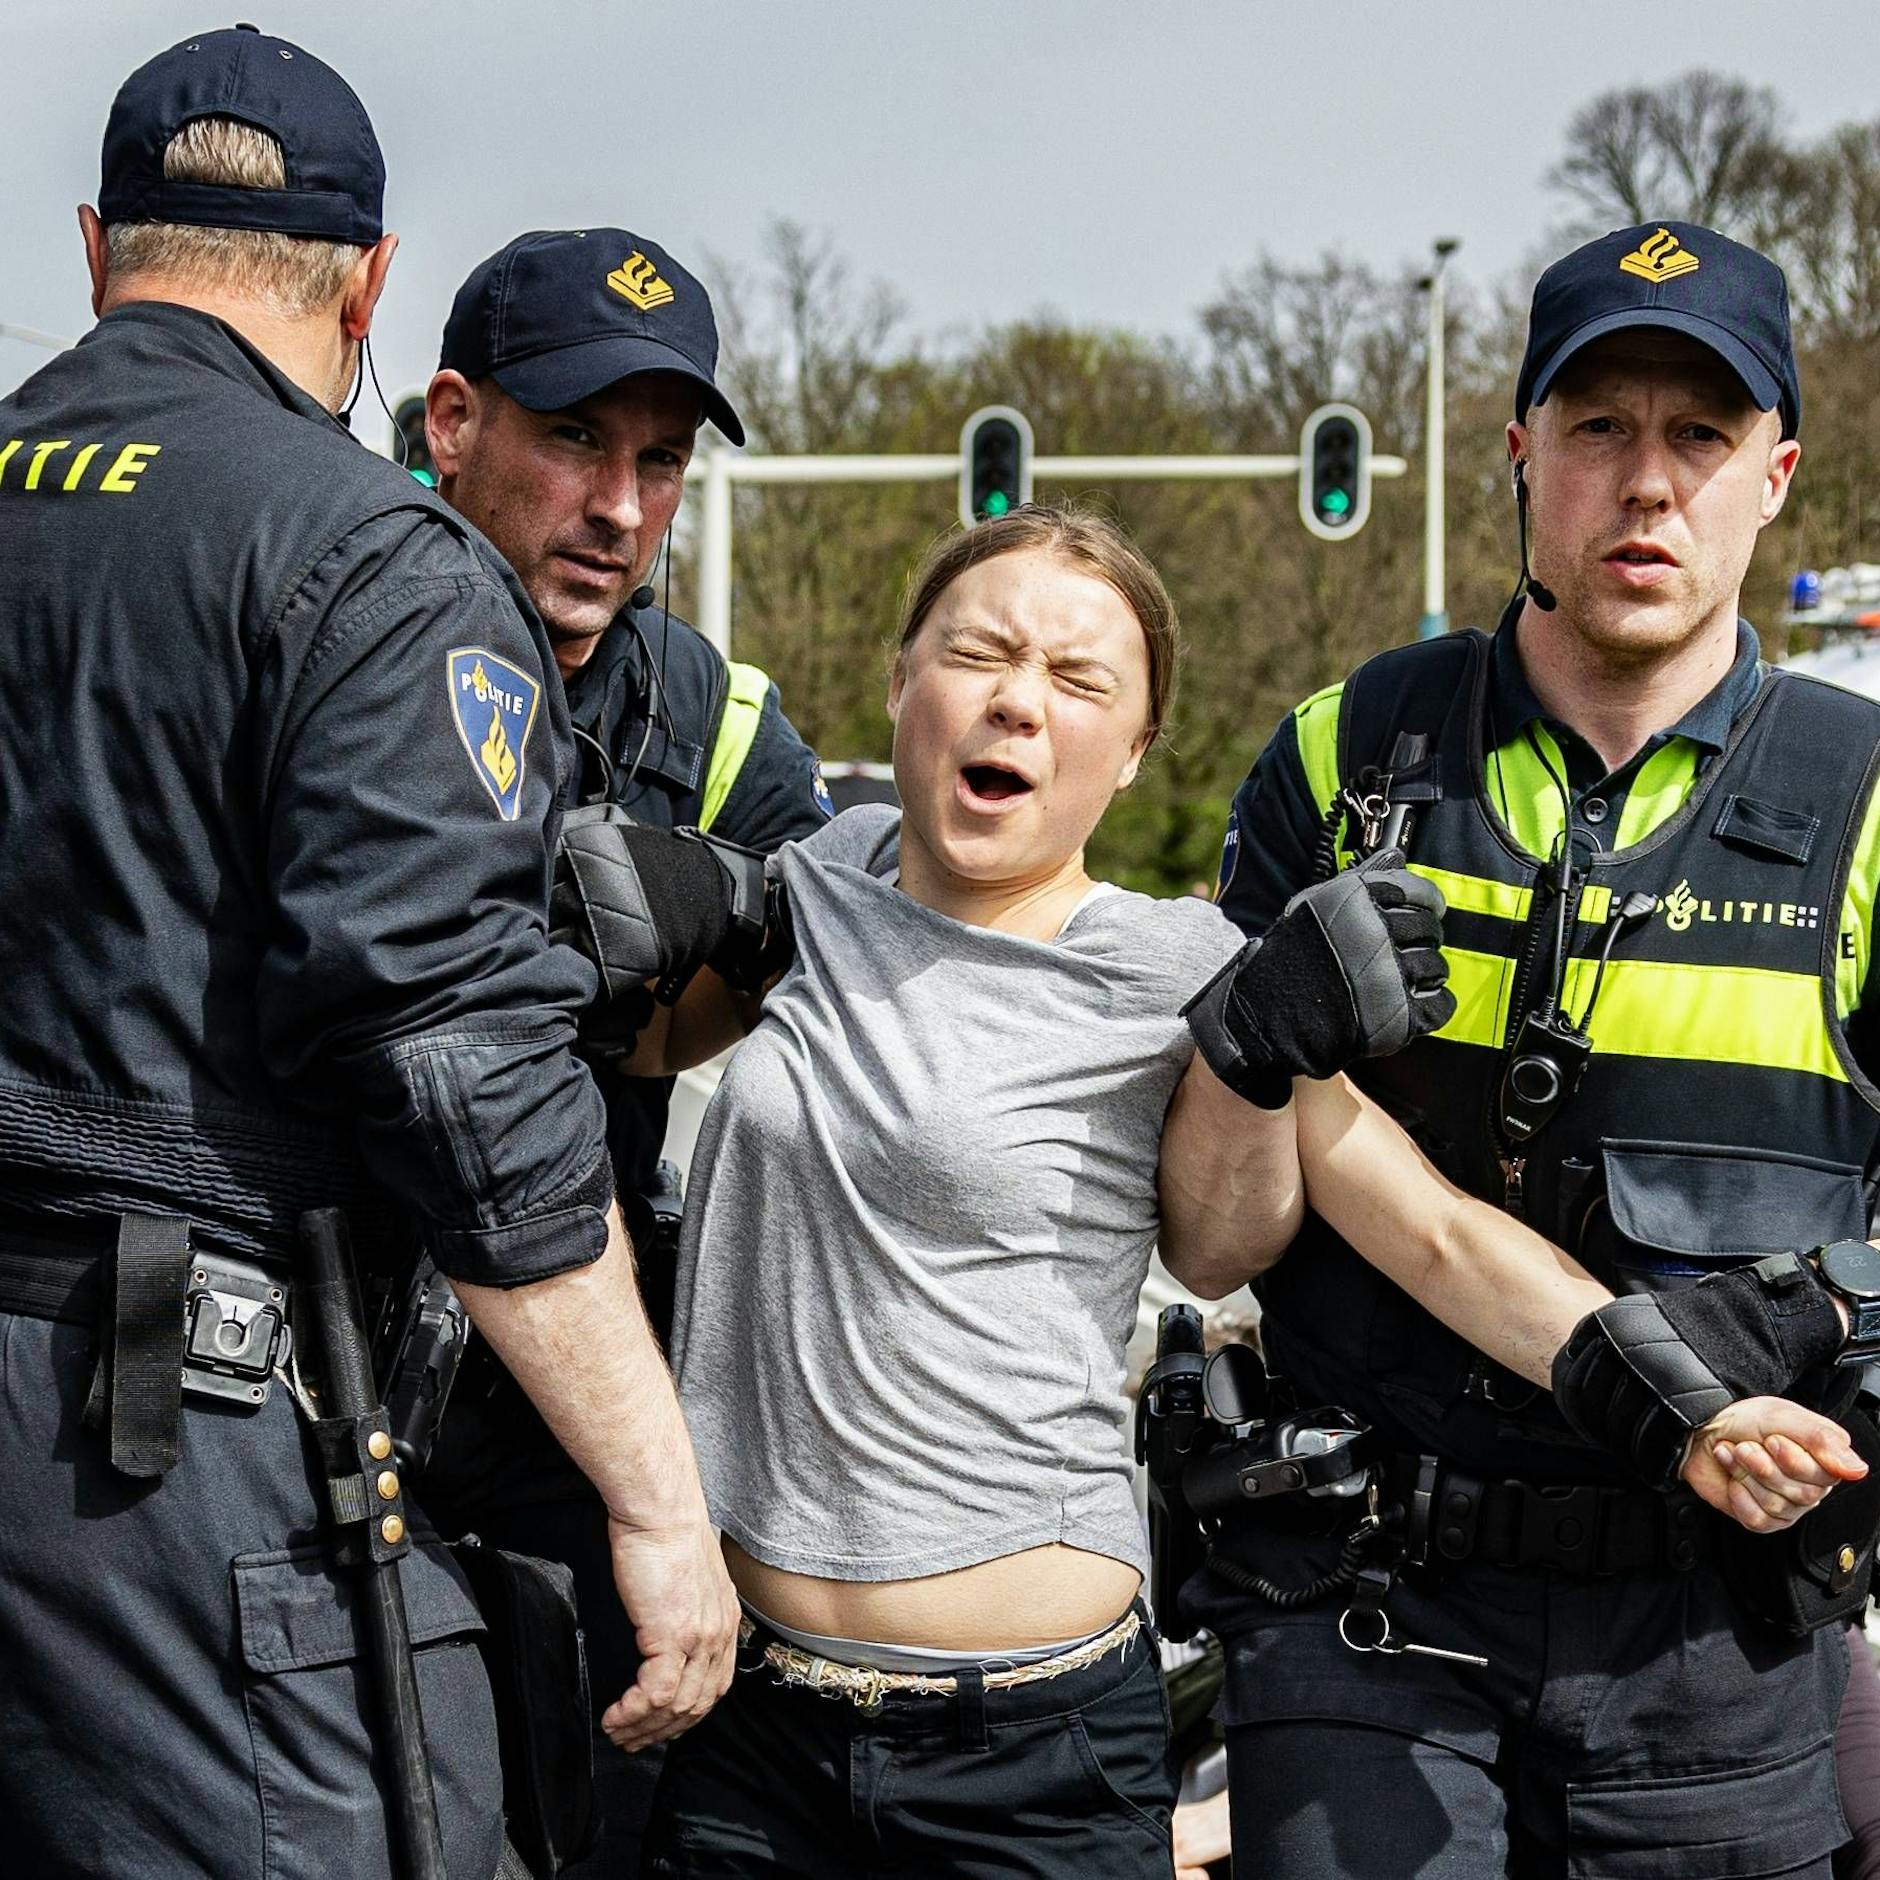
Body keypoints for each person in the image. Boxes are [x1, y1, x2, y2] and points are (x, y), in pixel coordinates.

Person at [0, 29, 735, 1879]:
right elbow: (454, 1065)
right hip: (158, 1449)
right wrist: (656, 1503)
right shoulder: (369, 561)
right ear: (374, 295)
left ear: (99, 247)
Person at [1186, 220, 1880, 1877]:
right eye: (1599, 429)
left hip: (1714, 1653)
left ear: (1775, 474)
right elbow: (1210, 1236)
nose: (1649, 485)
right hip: (1363, 1614)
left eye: (1701, 436)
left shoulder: (1867, 798)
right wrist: (1245, 1048)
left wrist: (1839, 1308)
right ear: (1520, 456)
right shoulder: (1344, 754)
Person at [417, 225, 829, 1874]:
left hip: (579, 1386)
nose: (620, 509)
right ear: (452, 422)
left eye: (659, 463)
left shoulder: (712, 717)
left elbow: (871, 934)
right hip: (301, 1348)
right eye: (575, 440)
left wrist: (732, 920)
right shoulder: (331, 623)